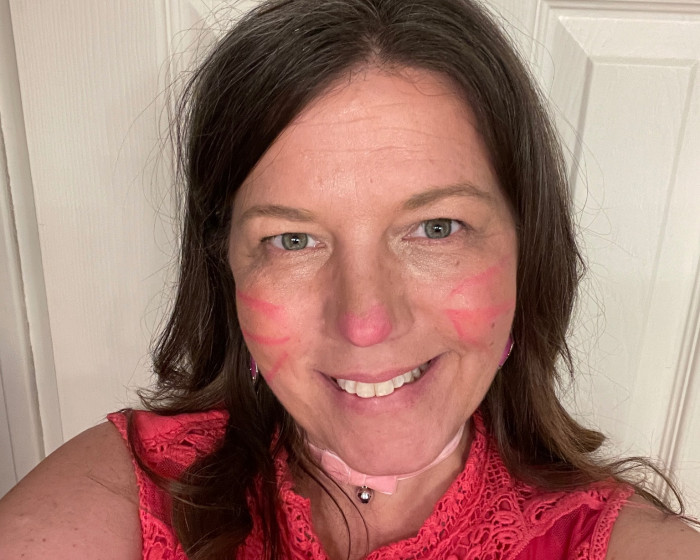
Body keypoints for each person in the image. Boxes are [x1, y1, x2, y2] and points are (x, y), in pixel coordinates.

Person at [0, 0, 698, 558]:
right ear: (227, 267)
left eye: (436, 228)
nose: (365, 322)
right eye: (292, 240)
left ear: (527, 249)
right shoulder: (123, 492)